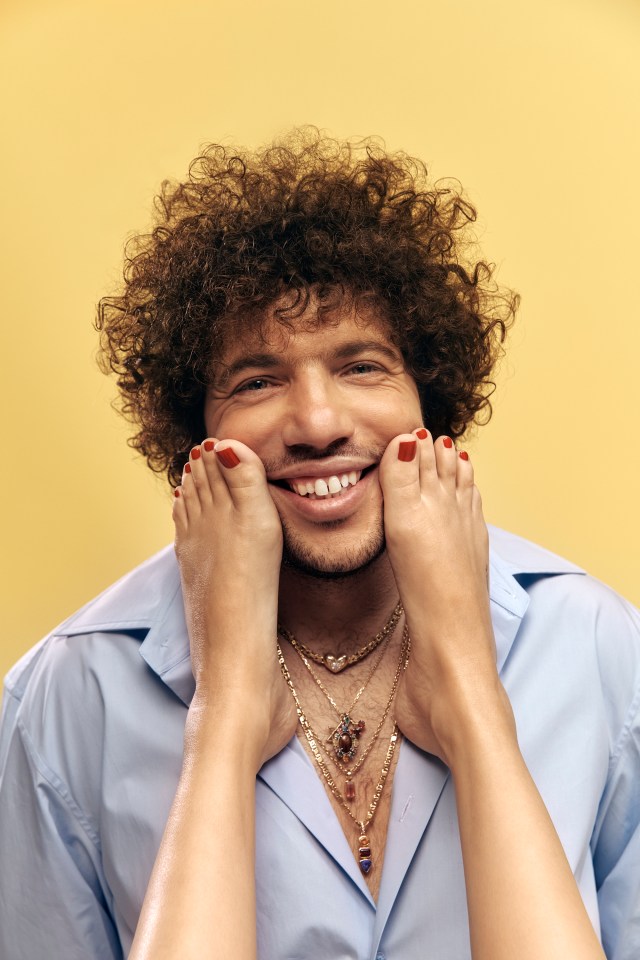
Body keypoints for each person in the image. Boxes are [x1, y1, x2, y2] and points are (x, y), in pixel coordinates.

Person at [0, 131, 638, 960]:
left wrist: (471, 696)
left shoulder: (597, 646)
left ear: (429, 398)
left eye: (362, 366)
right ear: (194, 428)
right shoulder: (64, 701)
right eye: (258, 380)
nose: (317, 424)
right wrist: (225, 714)